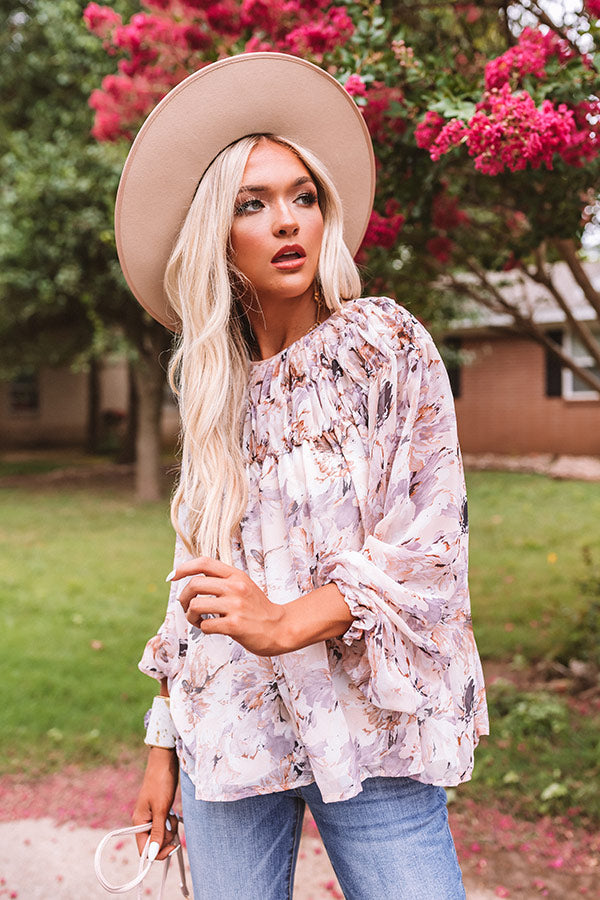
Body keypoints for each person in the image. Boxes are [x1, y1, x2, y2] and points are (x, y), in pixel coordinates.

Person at [115, 53, 489, 900]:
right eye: (251, 204)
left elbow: (431, 545)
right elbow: (191, 581)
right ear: (217, 234)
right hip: (230, 726)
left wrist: (286, 622)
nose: (287, 221)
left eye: (303, 196)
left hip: (371, 724)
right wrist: (161, 744)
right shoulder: (215, 388)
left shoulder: (384, 345)